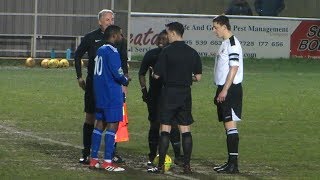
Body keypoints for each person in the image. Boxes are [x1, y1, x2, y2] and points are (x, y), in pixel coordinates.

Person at [74, 9, 127, 164]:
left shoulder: (118, 40)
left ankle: (111, 152)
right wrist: (79, 77)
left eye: (112, 19)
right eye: (107, 20)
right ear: (100, 21)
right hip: (94, 85)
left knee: (111, 119)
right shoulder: (91, 38)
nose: (110, 22)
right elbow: (77, 55)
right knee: (92, 118)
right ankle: (87, 152)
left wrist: (124, 85)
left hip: (113, 86)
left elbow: (123, 61)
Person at [148, 22, 202, 174]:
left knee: (165, 129)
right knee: (185, 129)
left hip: (169, 93)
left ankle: (160, 166)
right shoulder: (192, 52)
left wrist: (153, 73)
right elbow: (198, 77)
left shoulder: (166, 51)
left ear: (172, 33)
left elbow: (157, 75)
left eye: (168, 33)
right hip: (185, 93)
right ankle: (187, 166)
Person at [138, 30, 184, 170]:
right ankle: (152, 156)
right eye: (159, 38)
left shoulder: (174, 55)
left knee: (174, 125)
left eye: (164, 38)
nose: (160, 41)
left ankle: (178, 156)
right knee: (154, 125)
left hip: (171, 95)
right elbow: (141, 74)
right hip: (154, 96)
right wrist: (144, 91)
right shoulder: (150, 54)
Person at [89, 25, 129, 171]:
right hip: (111, 93)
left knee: (99, 124)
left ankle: (93, 159)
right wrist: (126, 79)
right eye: (120, 35)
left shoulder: (100, 50)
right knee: (113, 125)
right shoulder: (112, 51)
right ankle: (107, 162)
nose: (122, 37)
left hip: (99, 93)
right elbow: (118, 74)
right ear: (114, 36)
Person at [211, 15, 243, 174]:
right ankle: (230, 162)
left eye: (215, 27)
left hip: (230, 89)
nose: (213, 30)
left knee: (231, 126)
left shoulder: (233, 44)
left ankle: (233, 165)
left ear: (224, 26)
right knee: (227, 126)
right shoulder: (225, 43)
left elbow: (234, 68)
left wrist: (224, 90)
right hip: (224, 88)